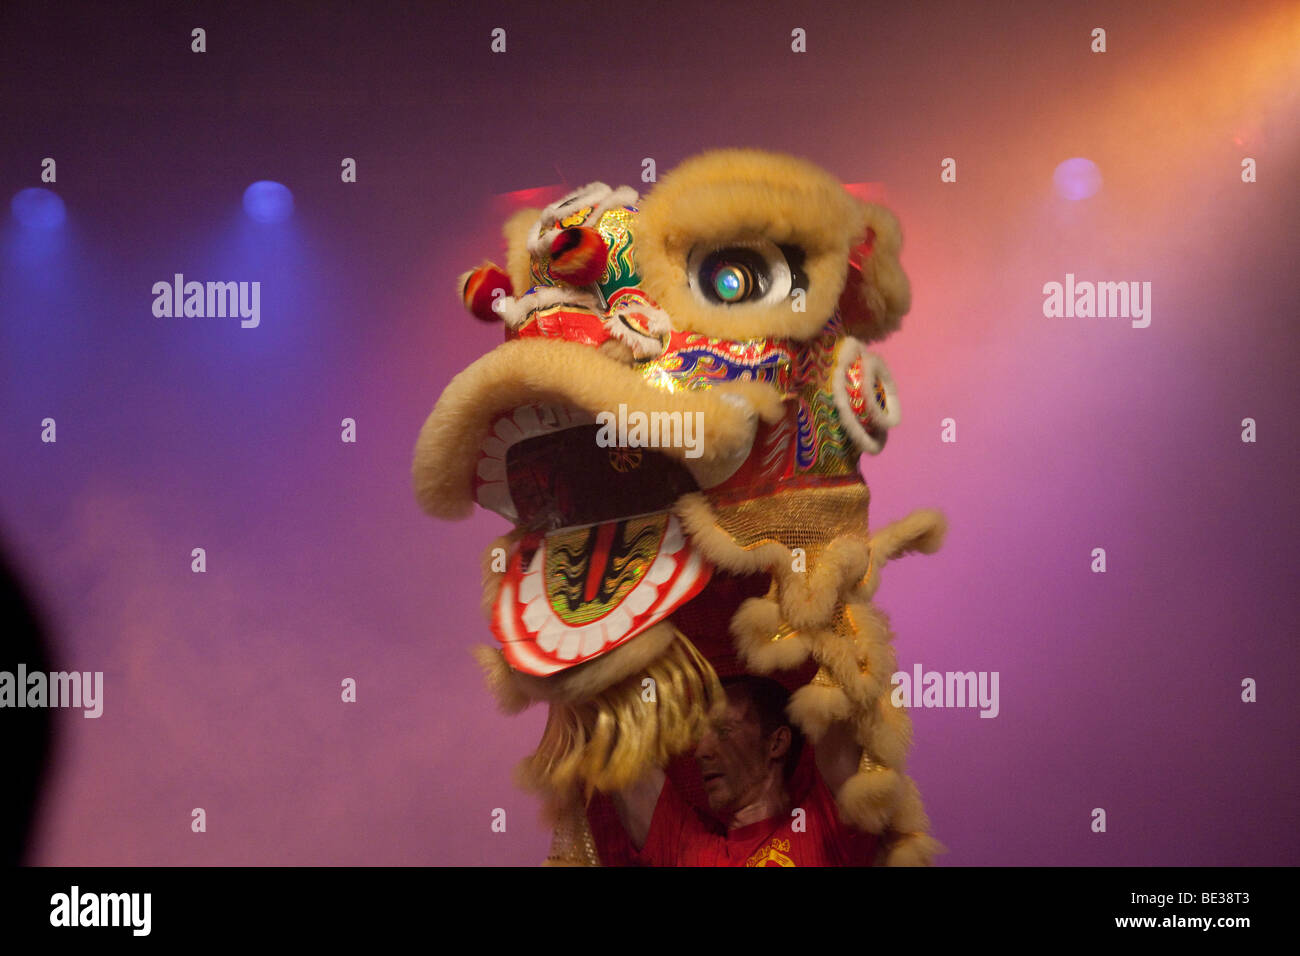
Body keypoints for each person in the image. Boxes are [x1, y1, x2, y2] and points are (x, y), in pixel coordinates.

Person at [609, 674, 879, 866]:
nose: (701, 752)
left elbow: (845, 668)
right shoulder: (691, 850)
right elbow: (616, 735)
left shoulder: (822, 825)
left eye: (723, 731)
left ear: (776, 743)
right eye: (700, 736)